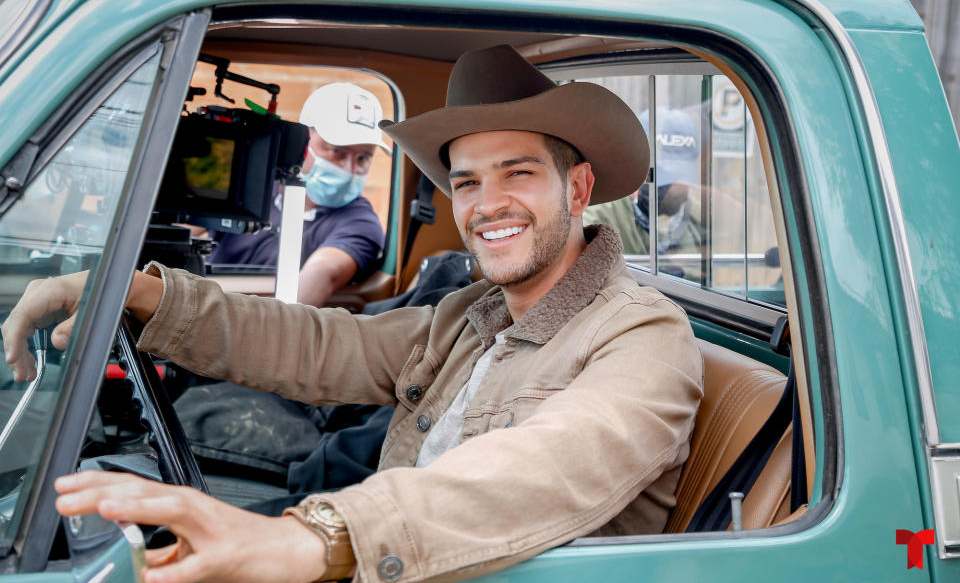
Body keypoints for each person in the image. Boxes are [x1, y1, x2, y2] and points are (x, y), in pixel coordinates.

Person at [3, 45, 703, 583]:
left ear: (577, 189)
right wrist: (138, 293)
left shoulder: (641, 335)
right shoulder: (472, 316)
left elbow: (547, 467)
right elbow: (318, 344)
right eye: (467, 182)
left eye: (517, 173)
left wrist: (314, 537)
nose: (488, 204)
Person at [206, 82, 387, 308]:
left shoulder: (360, 224)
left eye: (363, 158)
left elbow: (322, 273)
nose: (349, 169)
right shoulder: (251, 184)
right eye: (337, 151)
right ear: (302, 143)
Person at [583, 107, 703, 280]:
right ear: (633, 166)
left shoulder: (700, 219)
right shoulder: (597, 221)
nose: (669, 186)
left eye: (677, 175)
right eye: (658, 174)